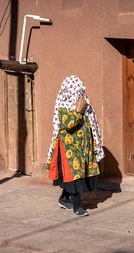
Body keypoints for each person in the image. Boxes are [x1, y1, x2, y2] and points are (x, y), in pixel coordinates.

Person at [46, 75, 105, 216]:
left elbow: (92, 122)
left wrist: (95, 142)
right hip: (69, 148)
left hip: (83, 147)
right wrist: (78, 112)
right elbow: (66, 125)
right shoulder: (63, 105)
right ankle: (77, 206)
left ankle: (64, 198)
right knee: (74, 176)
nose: (79, 95)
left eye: (81, 91)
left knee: (76, 175)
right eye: (76, 92)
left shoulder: (85, 103)